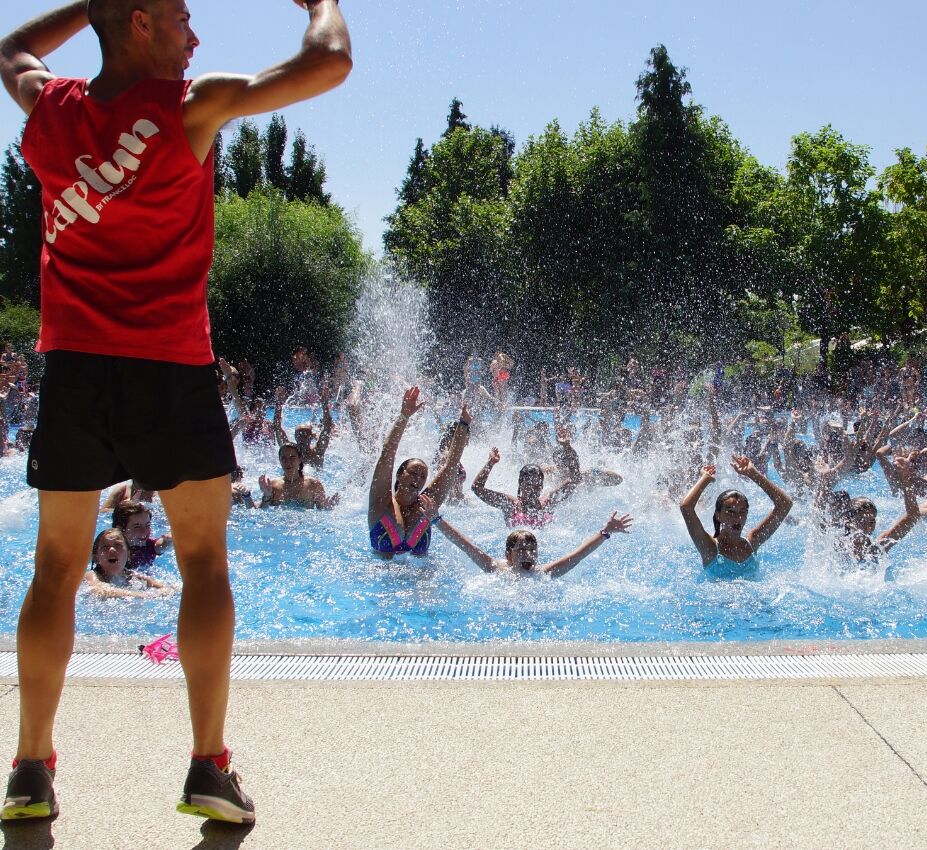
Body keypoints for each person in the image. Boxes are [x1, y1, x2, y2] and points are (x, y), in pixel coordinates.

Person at [0, 0, 350, 824]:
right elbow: (329, 62)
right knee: (204, 566)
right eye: (182, 17)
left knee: (55, 570)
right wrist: (319, 2)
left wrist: (90, 5)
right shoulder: (190, 108)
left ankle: (28, 770)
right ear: (143, 24)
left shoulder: (54, 114)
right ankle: (207, 768)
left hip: (75, 368)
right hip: (168, 367)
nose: (196, 35)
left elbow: (12, 46)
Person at [368, 387, 470, 559]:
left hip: (422, 582)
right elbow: (387, 453)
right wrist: (404, 416)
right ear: (400, 475)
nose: (418, 479)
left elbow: (450, 465)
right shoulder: (381, 502)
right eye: (414, 472)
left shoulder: (427, 505)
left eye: (423, 476)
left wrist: (464, 424)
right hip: (383, 580)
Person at [679, 455, 793, 579]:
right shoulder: (710, 548)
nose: (737, 517)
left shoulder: (752, 542)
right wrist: (705, 479)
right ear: (718, 516)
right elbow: (686, 507)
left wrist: (753, 474)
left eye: (742, 512)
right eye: (731, 512)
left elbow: (785, 504)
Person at [434, 510, 633, 577]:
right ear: (508, 555)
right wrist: (436, 520)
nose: (528, 554)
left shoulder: (543, 573)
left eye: (532, 550)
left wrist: (605, 532)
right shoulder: (495, 569)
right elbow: (466, 545)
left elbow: (577, 555)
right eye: (521, 549)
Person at [83, 528, 171, 599]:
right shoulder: (91, 575)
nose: (112, 549)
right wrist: (144, 595)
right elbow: (100, 591)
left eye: (118, 545)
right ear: (96, 558)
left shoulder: (133, 577)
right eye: (105, 546)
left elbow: (166, 589)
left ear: (128, 554)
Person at [257, 442, 335, 509]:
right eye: (283, 458)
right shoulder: (272, 485)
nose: (288, 462)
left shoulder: (313, 484)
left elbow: (321, 511)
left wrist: (328, 507)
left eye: (292, 458)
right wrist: (267, 495)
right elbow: (262, 511)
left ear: (300, 459)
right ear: (279, 460)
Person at [110, 498, 172, 570]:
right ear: (120, 529)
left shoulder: (148, 546)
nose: (144, 531)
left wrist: (168, 540)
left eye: (147, 525)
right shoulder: (111, 550)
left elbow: (160, 545)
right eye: (137, 527)